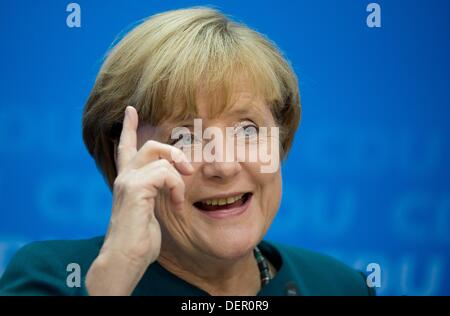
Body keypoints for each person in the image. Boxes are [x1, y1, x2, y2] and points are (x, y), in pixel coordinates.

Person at [0, 7, 374, 296]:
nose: (224, 165)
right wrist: (115, 276)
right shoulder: (55, 276)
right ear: (125, 157)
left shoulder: (339, 285)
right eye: (185, 137)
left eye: (247, 129)